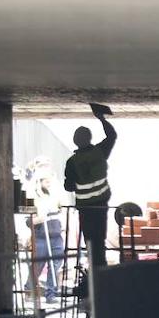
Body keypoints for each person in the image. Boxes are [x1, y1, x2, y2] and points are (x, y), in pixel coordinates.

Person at [64, 103, 117, 269]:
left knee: (90, 243)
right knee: (99, 239)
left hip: (85, 209)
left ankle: (95, 272)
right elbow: (112, 136)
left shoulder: (72, 162)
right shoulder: (100, 152)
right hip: (101, 206)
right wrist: (101, 119)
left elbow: (69, 186)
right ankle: (101, 272)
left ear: (75, 141)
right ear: (89, 138)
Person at [24, 157, 65, 302]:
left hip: (55, 232)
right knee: (38, 264)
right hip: (41, 234)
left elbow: (61, 208)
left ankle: (51, 294)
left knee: (56, 262)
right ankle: (29, 290)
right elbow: (28, 221)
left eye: (50, 180)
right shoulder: (31, 195)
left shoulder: (56, 192)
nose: (49, 183)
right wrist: (39, 218)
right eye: (45, 181)